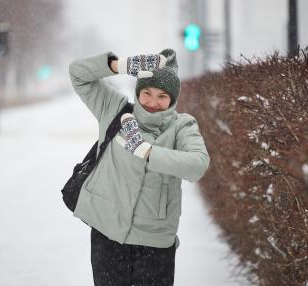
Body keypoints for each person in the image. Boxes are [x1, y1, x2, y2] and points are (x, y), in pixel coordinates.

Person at [69, 49, 210, 286]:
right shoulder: (114, 109)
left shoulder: (182, 126)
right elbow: (77, 74)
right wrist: (119, 65)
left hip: (154, 245)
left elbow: (198, 165)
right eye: (147, 93)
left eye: (162, 96)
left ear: (173, 99)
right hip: (108, 237)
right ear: (137, 91)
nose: (153, 102)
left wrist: (146, 151)